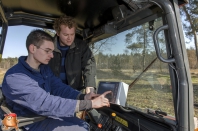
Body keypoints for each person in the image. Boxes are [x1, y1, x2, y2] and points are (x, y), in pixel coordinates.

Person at [2, 29, 111, 131]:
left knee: (85, 125)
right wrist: (89, 104)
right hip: (29, 121)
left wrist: (83, 96)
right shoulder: (16, 77)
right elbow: (45, 103)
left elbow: (59, 87)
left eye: (52, 51)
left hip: (45, 115)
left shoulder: (44, 69)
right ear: (33, 48)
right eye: (47, 51)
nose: (52, 55)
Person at [48, 15, 96, 94]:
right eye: (66, 35)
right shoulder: (48, 46)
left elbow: (89, 65)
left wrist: (90, 85)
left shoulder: (82, 46)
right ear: (58, 33)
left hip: (74, 93)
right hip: (52, 93)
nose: (69, 38)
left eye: (72, 34)